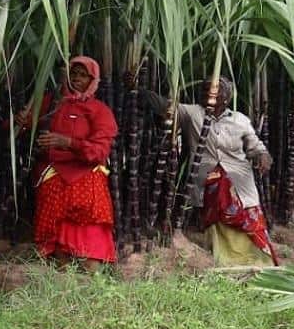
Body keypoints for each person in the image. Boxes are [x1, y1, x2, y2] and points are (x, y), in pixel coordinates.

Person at [144, 78, 277, 267]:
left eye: (216, 89)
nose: (210, 93)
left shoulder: (239, 119)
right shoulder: (192, 113)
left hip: (239, 178)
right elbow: (164, 106)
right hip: (207, 179)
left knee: (249, 217)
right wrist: (137, 88)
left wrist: (263, 156)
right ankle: (226, 259)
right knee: (218, 202)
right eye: (206, 89)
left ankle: (258, 260)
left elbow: (256, 146)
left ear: (227, 97)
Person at [15, 56, 119, 271]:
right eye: (74, 74)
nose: (77, 79)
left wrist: (68, 142)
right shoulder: (51, 102)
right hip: (53, 172)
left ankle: (91, 266)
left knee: (88, 206)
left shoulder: (99, 110)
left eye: (83, 75)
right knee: (54, 212)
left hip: (85, 171)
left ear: (93, 80)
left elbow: (99, 151)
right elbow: (20, 126)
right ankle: (59, 263)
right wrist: (20, 122)